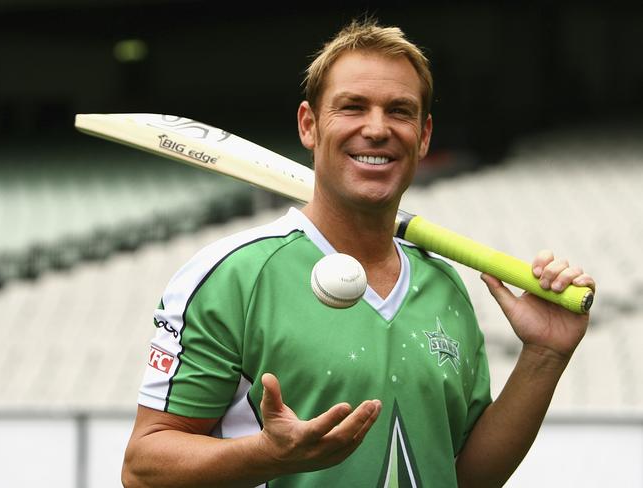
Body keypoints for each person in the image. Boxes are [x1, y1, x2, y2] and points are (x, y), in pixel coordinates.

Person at [122, 19, 595, 488]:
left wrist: (544, 355)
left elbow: (465, 477)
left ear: (424, 135)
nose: (376, 128)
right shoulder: (232, 277)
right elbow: (143, 468)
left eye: (399, 111)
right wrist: (267, 456)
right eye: (352, 107)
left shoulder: (444, 287)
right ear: (309, 125)